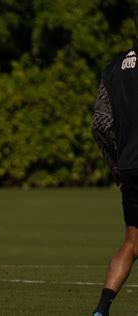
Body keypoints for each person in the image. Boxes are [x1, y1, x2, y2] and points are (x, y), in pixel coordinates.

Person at [91, 7, 138, 316]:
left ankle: (101, 309)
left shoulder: (113, 68)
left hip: (130, 166)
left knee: (132, 242)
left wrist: (116, 166)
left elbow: (100, 125)